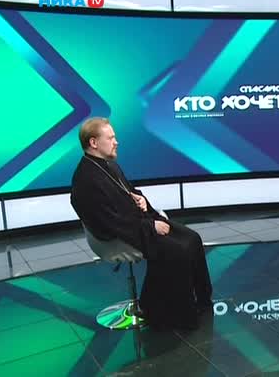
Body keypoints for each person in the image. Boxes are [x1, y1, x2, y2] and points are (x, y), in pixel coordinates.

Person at [70, 117, 213, 330]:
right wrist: (151, 226)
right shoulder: (86, 179)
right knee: (177, 250)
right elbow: (107, 222)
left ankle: (202, 300)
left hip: (136, 223)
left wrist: (141, 200)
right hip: (118, 235)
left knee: (192, 238)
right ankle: (171, 314)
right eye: (111, 138)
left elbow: (128, 191)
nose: (116, 142)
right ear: (93, 143)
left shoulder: (109, 165)